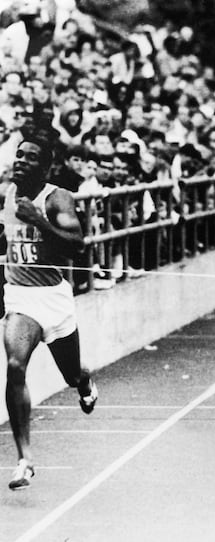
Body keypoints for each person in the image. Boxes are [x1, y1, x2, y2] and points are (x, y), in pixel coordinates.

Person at [2, 118, 98, 491]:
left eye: (31, 158)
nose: (21, 162)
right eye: (19, 155)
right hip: (20, 298)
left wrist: (39, 220)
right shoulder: (7, 193)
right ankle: (25, 458)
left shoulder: (57, 197)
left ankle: (85, 381)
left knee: (71, 374)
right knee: (14, 366)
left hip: (53, 299)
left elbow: (75, 245)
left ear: (45, 167)